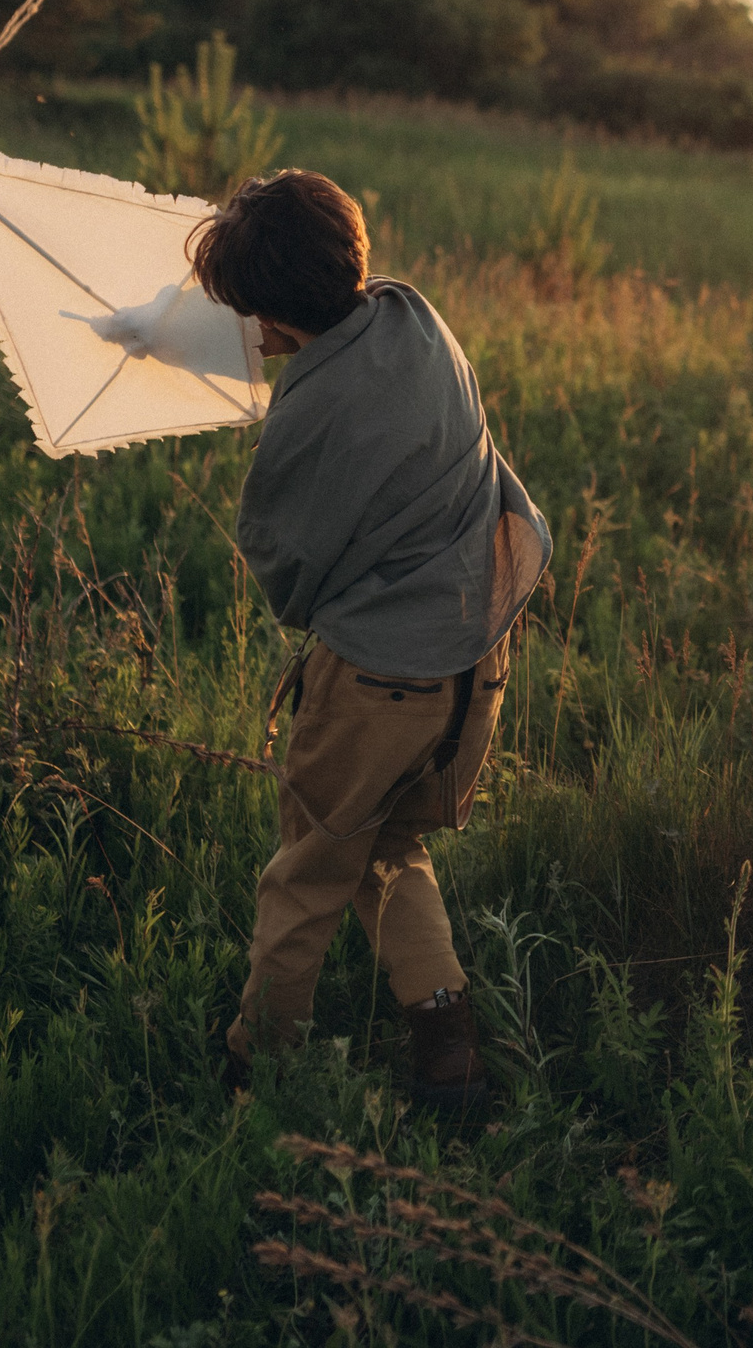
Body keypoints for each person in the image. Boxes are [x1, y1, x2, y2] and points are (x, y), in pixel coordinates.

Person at [192, 170, 550, 1110]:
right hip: (475, 662)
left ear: (275, 314)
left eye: (253, 316)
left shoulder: (308, 415)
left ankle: (254, 1073)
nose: (255, 338)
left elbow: (286, 575)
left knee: (308, 872)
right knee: (390, 848)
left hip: (378, 682)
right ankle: (450, 1055)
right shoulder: (414, 317)